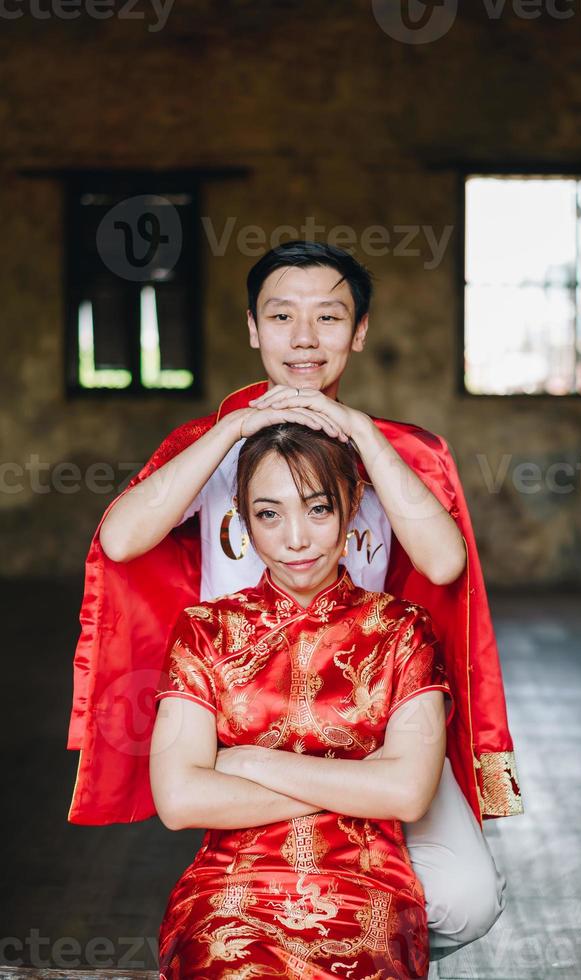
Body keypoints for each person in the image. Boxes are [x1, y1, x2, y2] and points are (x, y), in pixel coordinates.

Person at [67, 240, 521, 958]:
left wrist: (366, 437)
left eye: (328, 318)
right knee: (251, 896)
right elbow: (121, 542)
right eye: (281, 317)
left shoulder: (397, 452)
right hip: (245, 713)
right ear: (252, 328)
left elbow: (441, 561)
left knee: (464, 899)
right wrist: (233, 429)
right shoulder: (211, 449)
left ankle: (362, 937)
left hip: (370, 714)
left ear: (359, 331)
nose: (303, 339)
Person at [150, 422, 455, 979]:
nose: (296, 538)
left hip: (366, 889)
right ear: (241, 517)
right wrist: (359, 782)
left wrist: (250, 764)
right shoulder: (205, 631)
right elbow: (180, 800)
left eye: (318, 509)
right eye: (269, 514)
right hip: (229, 892)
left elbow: (408, 795)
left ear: (353, 503)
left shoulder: (402, 630)